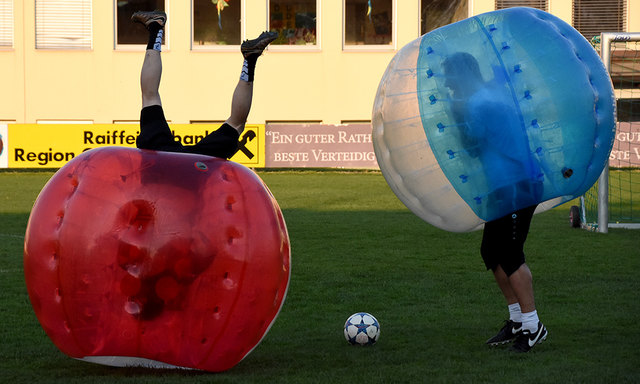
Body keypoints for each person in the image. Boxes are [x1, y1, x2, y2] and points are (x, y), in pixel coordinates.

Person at [442, 52, 547, 353]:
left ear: (462, 74)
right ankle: (517, 320)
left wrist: (456, 115)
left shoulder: (482, 103)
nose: (447, 84)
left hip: (518, 183)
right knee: (492, 251)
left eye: (450, 76)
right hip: (501, 185)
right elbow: (476, 150)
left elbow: (472, 143)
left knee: (510, 254)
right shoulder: (480, 99)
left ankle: (533, 325)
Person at [131, 10, 277, 158]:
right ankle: (249, 60)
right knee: (235, 125)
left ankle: (250, 60)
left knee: (150, 97)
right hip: (190, 161)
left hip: (163, 158)